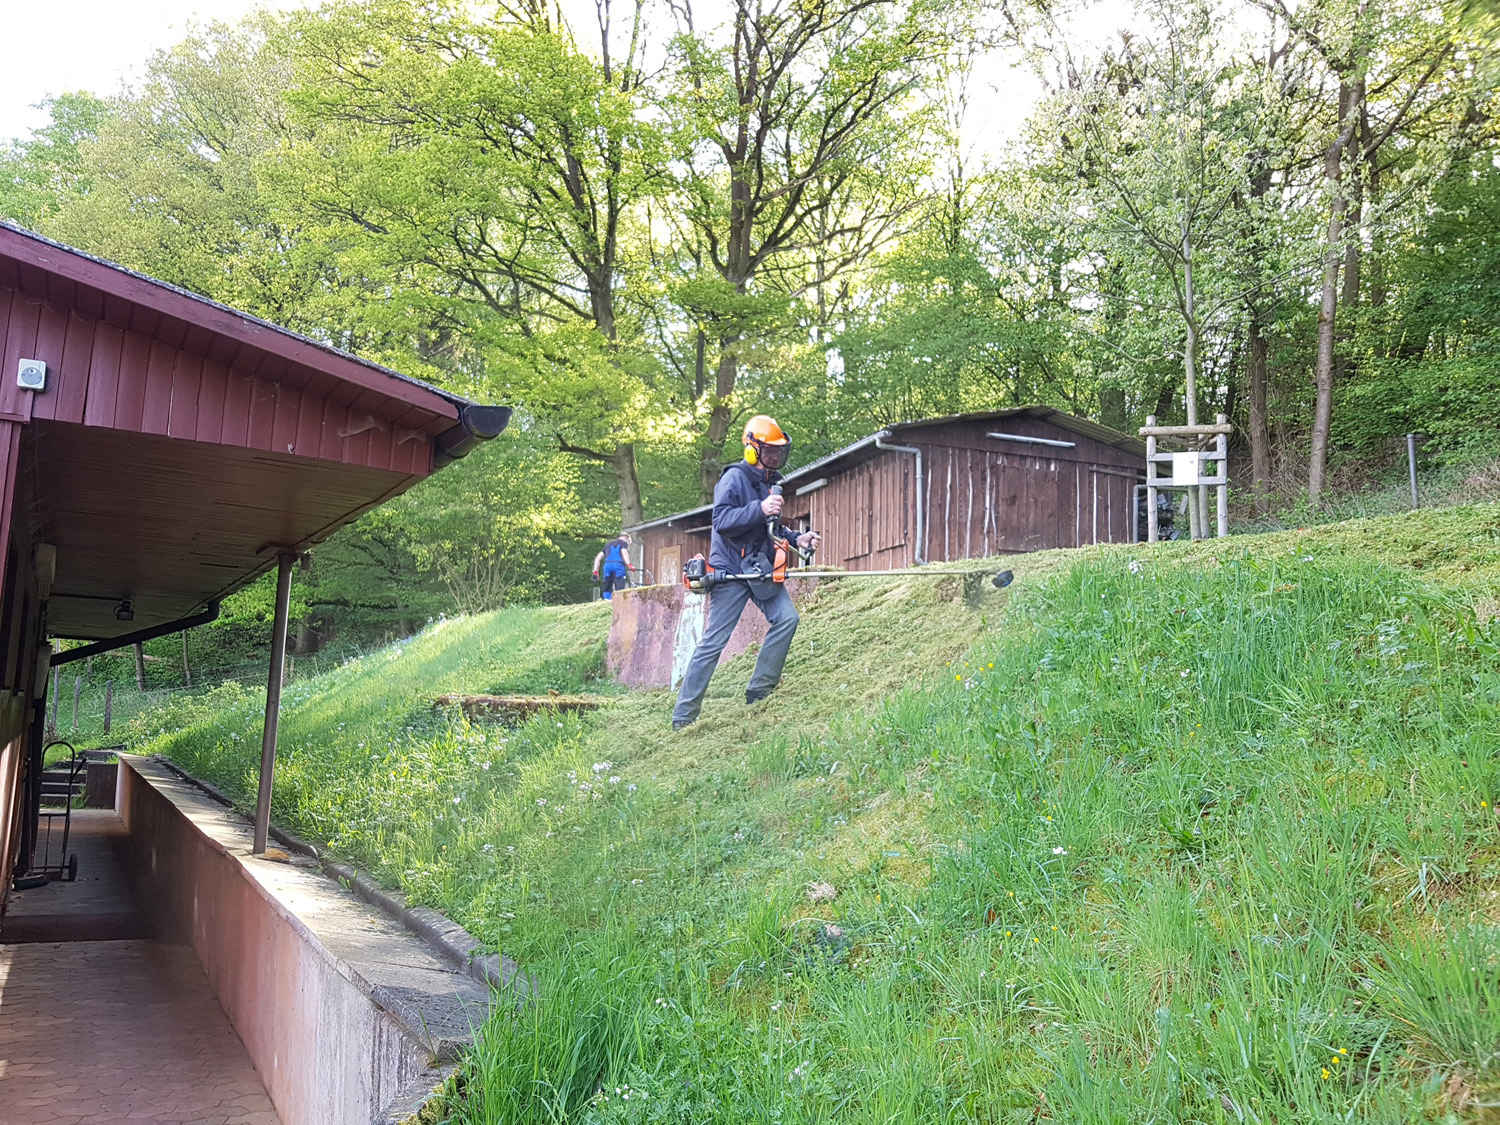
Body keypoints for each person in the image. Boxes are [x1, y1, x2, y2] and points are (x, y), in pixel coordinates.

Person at [672, 415, 821, 729]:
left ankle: (760, 690)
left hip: (759, 568)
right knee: (714, 642)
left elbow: (771, 528)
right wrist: (760, 508)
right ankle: (683, 717)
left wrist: (798, 538)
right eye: (769, 451)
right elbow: (722, 521)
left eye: (778, 452)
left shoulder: (770, 483)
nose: (774, 457)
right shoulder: (734, 478)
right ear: (752, 449)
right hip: (730, 571)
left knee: (787, 618)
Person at [593, 531, 632, 600]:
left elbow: (598, 558)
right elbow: (624, 552)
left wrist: (595, 571)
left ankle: (607, 600)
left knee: (607, 585)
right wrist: (629, 564)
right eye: (629, 542)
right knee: (619, 586)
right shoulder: (624, 543)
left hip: (607, 566)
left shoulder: (608, 544)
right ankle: (619, 601)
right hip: (618, 566)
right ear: (626, 538)